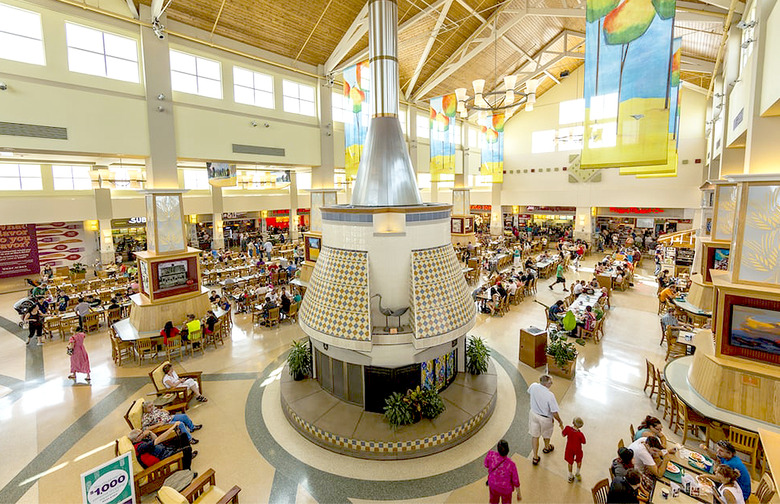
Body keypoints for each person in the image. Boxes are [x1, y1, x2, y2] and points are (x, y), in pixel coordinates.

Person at [528, 374, 563, 466]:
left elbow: (529, 392)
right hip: (545, 418)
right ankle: (547, 447)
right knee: (546, 434)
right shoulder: (550, 395)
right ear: (545, 384)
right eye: (550, 382)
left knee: (535, 436)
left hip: (533, 415)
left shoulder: (533, 386)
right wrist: (560, 421)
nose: (551, 384)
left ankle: (535, 457)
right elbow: (554, 412)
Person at [127, 425, 196, 471]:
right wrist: (172, 428)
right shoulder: (141, 447)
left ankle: (188, 457)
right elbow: (157, 440)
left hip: (165, 449)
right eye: (141, 434)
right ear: (136, 439)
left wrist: (150, 432)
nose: (143, 433)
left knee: (183, 436)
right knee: (187, 450)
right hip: (164, 457)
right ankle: (187, 471)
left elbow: (155, 439)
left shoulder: (142, 440)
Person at [562, 417, 586, 482]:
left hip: (569, 448)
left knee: (570, 462)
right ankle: (577, 473)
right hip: (578, 449)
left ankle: (570, 476)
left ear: (573, 422)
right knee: (579, 460)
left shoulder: (567, 428)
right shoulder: (580, 434)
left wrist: (562, 427)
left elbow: (563, 434)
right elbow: (584, 442)